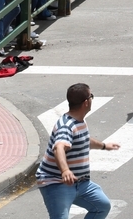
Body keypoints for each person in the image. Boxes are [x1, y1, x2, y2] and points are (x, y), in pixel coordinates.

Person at [36, 83, 120, 219]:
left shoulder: (79, 121)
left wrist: (104, 146)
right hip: (56, 183)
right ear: (86, 102)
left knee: (102, 206)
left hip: (80, 183)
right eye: (91, 96)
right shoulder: (66, 126)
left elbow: (84, 140)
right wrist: (65, 171)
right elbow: (59, 148)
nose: (92, 99)